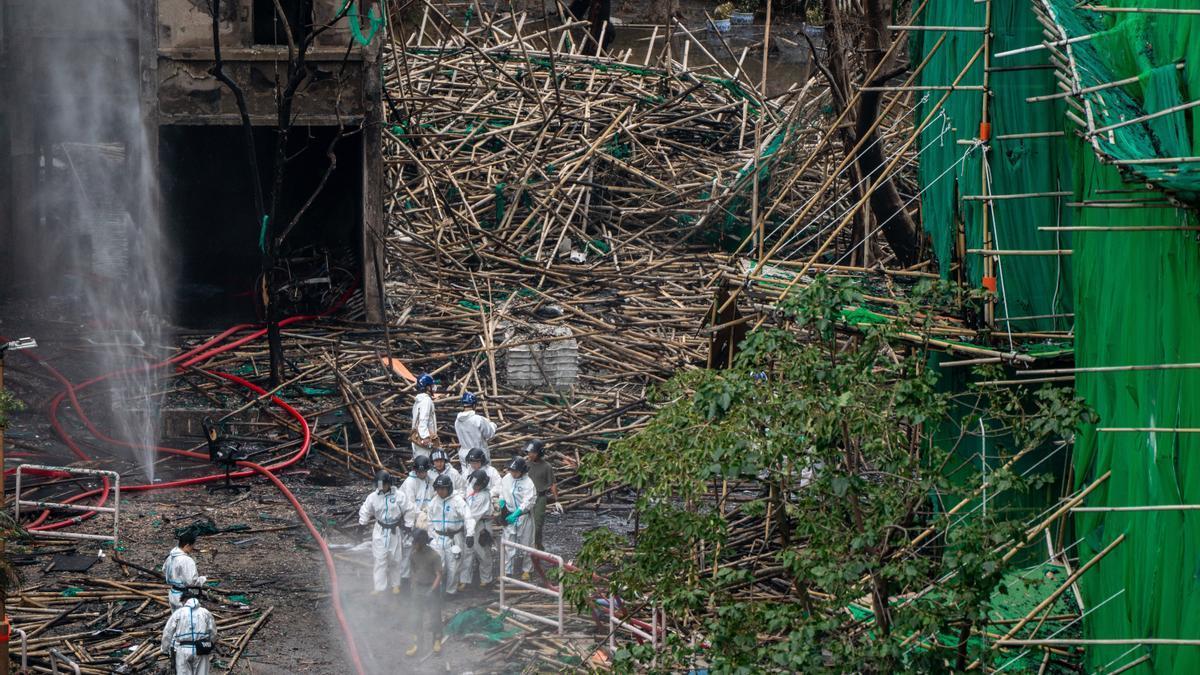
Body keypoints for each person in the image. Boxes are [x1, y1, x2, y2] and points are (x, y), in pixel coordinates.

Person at [357, 470, 414, 595]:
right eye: (379, 485)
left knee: (395, 559)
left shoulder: (399, 496)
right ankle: (379, 587)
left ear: (389, 483)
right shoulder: (373, 497)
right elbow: (365, 510)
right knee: (380, 558)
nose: (381, 487)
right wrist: (361, 526)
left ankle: (395, 584)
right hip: (380, 530)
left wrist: (409, 525)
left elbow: (409, 510)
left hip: (395, 530)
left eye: (383, 484)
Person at [425, 474, 475, 596]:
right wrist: (430, 536)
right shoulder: (434, 501)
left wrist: (470, 534)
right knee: (437, 566)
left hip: (454, 538)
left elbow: (468, 517)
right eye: (438, 489)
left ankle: (451, 591)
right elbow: (429, 520)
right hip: (437, 538)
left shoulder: (457, 501)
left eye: (443, 489)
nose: (440, 491)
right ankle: (437, 591)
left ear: (449, 488)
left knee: (454, 567)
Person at [405, 530, 444, 657]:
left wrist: (431, 591)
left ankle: (437, 641)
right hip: (418, 588)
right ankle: (417, 643)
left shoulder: (434, 556)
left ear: (422, 542)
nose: (413, 544)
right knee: (416, 616)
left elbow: (439, 576)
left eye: (415, 542)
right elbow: (413, 571)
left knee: (434, 616)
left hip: (431, 588)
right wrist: (413, 585)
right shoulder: (413, 554)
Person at [160, 591, 217, 675]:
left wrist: (164, 649)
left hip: (183, 649)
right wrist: (210, 644)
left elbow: (168, 633)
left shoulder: (178, 613)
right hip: (201, 649)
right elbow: (213, 632)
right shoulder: (205, 612)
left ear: (184, 600)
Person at [499, 457, 537, 580]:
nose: (513, 473)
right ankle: (507, 571)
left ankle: (527, 570)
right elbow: (502, 492)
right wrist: (502, 503)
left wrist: (517, 513)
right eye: (511, 471)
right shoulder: (506, 479)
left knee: (526, 543)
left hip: (523, 516)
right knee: (508, 544)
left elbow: (529, 501)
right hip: (509, 515)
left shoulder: (528, 483)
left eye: (516, 471)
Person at [399, 455, 436, 582]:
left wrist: (426, 513)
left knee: (424, 548)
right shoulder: (410, 482)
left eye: (424, 471)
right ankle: (404, 579)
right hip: (409, 520)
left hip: (424, 519)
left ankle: (423, 577)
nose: (422, 474)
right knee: (408, 550)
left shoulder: (429, 481)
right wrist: (419, 514)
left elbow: (433, 497)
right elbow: (409, 504)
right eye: (419, 472)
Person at [460, 469, 495, 590]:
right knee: (467, 553)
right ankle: (464, 579)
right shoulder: (471, 488)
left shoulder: (484, 496)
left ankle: (486, 579)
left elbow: (473, 515)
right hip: (468, 524)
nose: (474, 486)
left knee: (483, 553)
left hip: (480, 525)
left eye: (477, 485)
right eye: (473, 484)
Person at [524, 440, 562, 552]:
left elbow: (553, 483)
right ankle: (529, 545)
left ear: (539, 453)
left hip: (540, 497)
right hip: (527, 497)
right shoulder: (526, 465)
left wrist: (556, 500)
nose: (530, 454)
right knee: (525, 523)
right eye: (529, 452)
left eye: (532, 452)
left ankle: (537, 545)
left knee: (538, 524)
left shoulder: (547, 466)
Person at [162, 532, 207, 610]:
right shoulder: (186, 560)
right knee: (186, 619)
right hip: (183, 597)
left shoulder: (170, 557)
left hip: (172, 594)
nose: (193, 548)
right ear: (187, 545)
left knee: (176, 618)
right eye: (192, 546)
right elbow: (192, 582)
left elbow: (164, 570)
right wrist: (202, 579)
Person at [454, 392, 496, 466]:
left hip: (464, 453)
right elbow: (489, 434)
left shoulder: (457, 421)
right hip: (478, 455)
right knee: (482, 475)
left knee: (466, 475)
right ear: (474, 405)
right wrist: (492, 425)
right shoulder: (478, 419)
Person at [410, 373, 440, 459]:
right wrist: (425, 437)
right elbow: (423, 419)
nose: (434, 387)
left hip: (417, 439)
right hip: (423, 442)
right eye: (432, 385)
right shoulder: (426, 400)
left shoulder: (418, 400)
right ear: (427, 387)